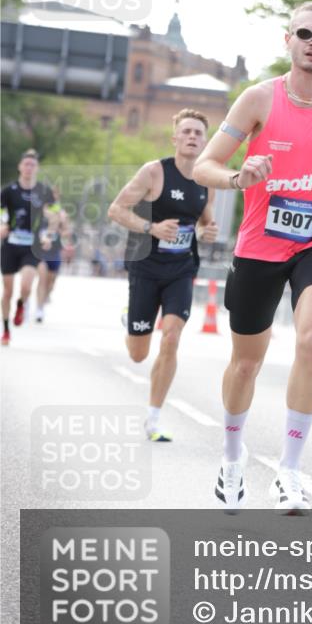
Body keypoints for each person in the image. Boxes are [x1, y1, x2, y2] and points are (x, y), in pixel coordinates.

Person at [194, 1, 312, 514]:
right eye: (305, 33)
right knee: (247, 363)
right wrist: (238, 177)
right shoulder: (257, 100)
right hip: (259, 244)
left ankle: (290, 471)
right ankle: (233, 458)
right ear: (288, 40)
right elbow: (205, 166)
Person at [107, 109, 218, 441]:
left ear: (205, 141)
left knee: (171, 337)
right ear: (175, 138)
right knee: (138, 354)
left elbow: (204, 220)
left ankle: (153, 419)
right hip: (146, 267)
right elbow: (116, 209)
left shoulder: (205, 180)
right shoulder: (154, 172)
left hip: (181, 269)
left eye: (198, 132)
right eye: (186, 131)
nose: (192, 137)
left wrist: (208, 231)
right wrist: (151, 227)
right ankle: (131, 319)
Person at [1, 149, 57, 344]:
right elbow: (1, 212)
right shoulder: (8, 191)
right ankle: (6, 330)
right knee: (7, 290)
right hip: (10, 244)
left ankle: (21, 304)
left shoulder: (44, 191)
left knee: (25, 285)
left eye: (32, 165)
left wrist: (49, 235)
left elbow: (56, 215)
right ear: (20, 167)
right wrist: (1, 225)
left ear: (37, 169)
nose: (29, 168)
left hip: (32, 246)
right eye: (26, 164)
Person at [35, 188, 72, 323]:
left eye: (56, 195)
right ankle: (39, 309)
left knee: (51, 281)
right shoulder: (38, 212)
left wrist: (62, 225)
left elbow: (67, 233)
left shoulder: (61, 213)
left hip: (55, 251)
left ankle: (44, 298)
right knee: (42, 279)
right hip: (40, 252)